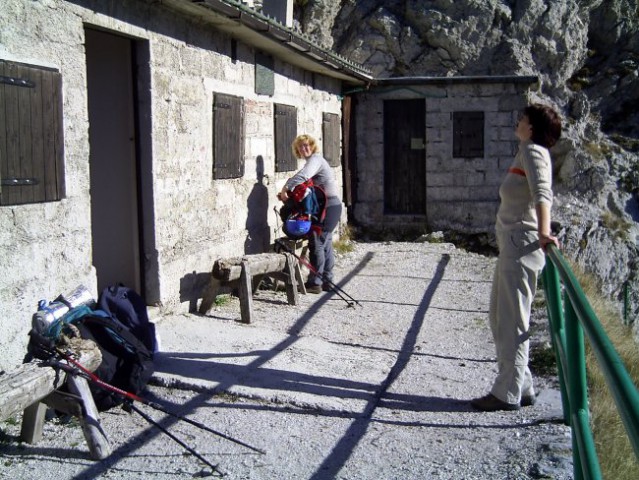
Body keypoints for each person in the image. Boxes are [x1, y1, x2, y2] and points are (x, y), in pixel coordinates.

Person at [471, 103, 562, 412]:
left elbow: (542, 194)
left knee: (511, 321)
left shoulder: (533, 151)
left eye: (522, 118)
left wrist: (544, 231)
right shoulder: (526, 151)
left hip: (521, 244)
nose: (518, 121)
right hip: (512, 245)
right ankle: (522, 385)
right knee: (500, 317)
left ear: (532, 127)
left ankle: (506, 393)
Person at [278, 134, 342, 294]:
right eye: (300, 146)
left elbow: (303, 176)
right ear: (297, 150)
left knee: (317, 243)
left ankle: (315, 283)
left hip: (329, 206)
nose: (304, 148)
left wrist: (286, 188)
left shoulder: (316, 159)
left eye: (307, 145)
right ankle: (327, 281)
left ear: (312, 146)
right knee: (325, 243)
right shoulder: (314, 161)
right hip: (330, 206)